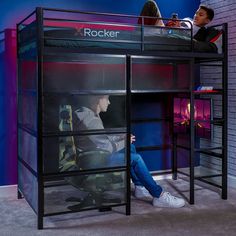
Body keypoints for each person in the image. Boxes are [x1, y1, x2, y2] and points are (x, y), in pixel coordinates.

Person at [73, 95, 185, 208]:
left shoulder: (89, 115)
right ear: (98, 100)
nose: (109, 102)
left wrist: (120, 138)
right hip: (93, 161)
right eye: (106, 98)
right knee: (136, 159)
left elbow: (100, 139)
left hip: (96, 155)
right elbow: (107, 148)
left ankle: (140, 187)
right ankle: (159, 195)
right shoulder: (90, 119)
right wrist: (125, 141)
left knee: (129, 147)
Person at [139, 0, 221, 52]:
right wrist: (170, 25)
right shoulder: (187, 19)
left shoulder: (203, 32)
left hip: (170, 38)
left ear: (207, 20)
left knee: (171, 36)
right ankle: (138, 34)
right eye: (196, 13)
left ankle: (144, 35)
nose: (196, 16)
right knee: (151, 4)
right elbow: (170, 30)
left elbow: (189, 43)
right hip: (164, 31)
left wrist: (179, 29)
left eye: (200, 15)